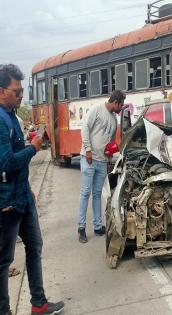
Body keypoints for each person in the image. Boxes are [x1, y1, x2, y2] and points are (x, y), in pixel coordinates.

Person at [0, 64, 64, 315]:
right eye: (17, 92)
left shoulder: (11, 116)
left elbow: (15, 157)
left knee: (34, 245)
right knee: (4, 261)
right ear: (2, 91)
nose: (21, 96)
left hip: (22, 196)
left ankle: (39, 303)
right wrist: (34, 147)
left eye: (21, 91)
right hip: (7, 202)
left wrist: (27, 188)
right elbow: (5, 162)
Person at [77, 90, 125, 243]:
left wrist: (110, 158)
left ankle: (98, 226)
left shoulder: (113, 119)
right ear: (115, 102)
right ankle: (81, 229)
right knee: (85, 193)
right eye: (121, 104)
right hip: (89, 159)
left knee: (98, 194)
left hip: (102, 161)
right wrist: (88, 150)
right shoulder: (97, 110)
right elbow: (84, 128)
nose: (122, 108)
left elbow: (110, 142)